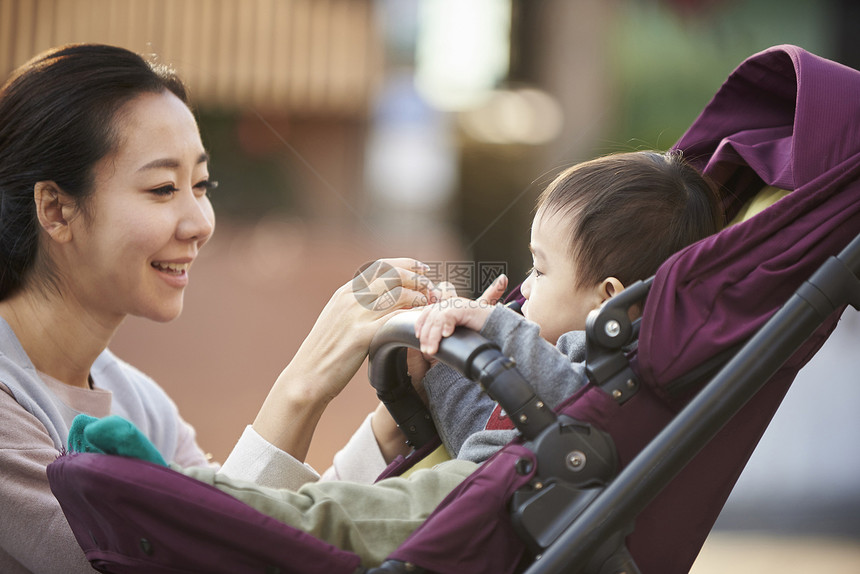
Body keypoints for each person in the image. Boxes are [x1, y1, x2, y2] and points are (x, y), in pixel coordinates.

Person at [75, 149, 724, 567]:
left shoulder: (611, 371)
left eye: (542, 269)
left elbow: (560, 395)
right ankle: (185, 497)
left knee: (335, 517)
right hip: (475, 492)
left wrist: (494, 323)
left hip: (489, 503)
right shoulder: (547, 356)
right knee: (350, 513)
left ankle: (188, 497)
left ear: (611, 301)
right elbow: (477, 419)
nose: (526, 285)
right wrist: (440, 354)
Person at [0, 43, 436, 573]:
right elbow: (196, 558)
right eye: (162, 188)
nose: (200, 222)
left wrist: (393, 423)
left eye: (201, 185)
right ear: (55, 208)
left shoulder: (140, 404)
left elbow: (265, 531)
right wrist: (305, 381)